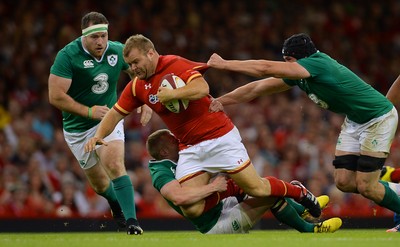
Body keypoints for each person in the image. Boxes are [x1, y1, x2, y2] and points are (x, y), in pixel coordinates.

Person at [84, 34, 322, 220]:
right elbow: (115, 113)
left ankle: (298, 191)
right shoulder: (137, 87)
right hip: (189, 147)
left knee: (258, 189)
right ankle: (229, 188)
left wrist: (172, 94)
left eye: (136, 62)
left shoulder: (174, 64)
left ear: (151, 53)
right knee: (192, 208)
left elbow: (202, 89)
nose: (133, 68)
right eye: (129, 64)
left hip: (219, 137)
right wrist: (98, 136)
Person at [206, 32, 400, 227]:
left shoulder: (317, 63)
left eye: (288, 60)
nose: (285, 65)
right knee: (344, 182)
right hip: (355, 120)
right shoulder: (301, 76)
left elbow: (265, 68)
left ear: (301, 58)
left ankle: (384, 188)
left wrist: (225, 64)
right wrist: (220, 101)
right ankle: (389, 184)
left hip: (377, 118)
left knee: (366, 187)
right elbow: (256, 88)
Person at [48, 12, 150, 235]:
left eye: (103, 36)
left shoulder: (116, 50)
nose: (100, 42)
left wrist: (145, 96)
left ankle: (132, 222)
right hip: (77, 129)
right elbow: (55, 96)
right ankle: (115, 204)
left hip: (109, 118)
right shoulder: (67, 56)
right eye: (94, 37)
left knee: (114, 164)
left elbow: (142, 70)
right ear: (83, 36)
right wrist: (88, 111)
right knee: (100, 185)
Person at [145, 129, 342, 233]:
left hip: (218, 206)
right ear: (164, 151)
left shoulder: (180, 160)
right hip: (214, 224)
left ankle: (302, 208)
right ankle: (311, 228)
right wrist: (213, 187)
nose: (179, 143)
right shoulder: (161, 172)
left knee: (255, 185)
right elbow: (179, 198)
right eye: (174, 141)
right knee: (269, 197)